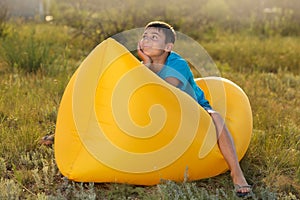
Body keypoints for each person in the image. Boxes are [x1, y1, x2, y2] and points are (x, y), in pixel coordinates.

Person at [137, 21, 251, 197]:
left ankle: (237, 174)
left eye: (154, 37)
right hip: (165, 115)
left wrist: (146, 63)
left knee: (216, 117)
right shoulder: (144, 65)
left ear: (168, 47)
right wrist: (145, 64)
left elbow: (166, 92)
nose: (147, 41)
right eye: (145, 36)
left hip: (194, 110)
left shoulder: (177, 63)